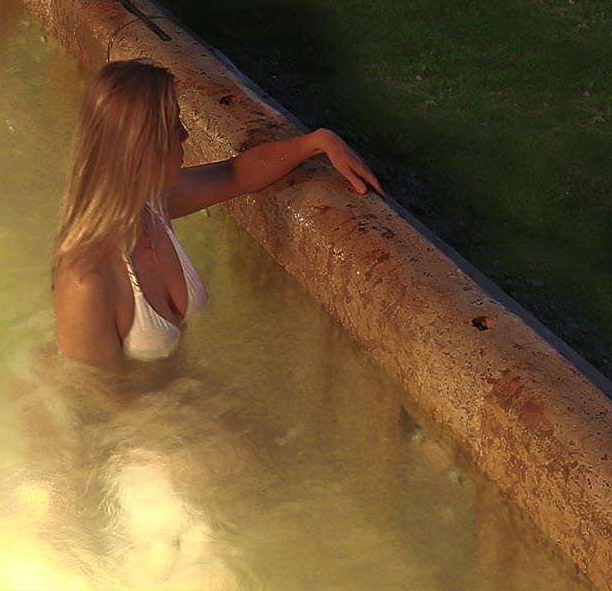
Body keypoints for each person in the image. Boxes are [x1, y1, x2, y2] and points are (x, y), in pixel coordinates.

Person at [51, 59, 382, 364]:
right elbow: (93, 398)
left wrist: (318, 142)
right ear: (140, 145)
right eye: (174, 125)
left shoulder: (150, 204)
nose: (186, 134)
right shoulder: (87, 282)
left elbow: (236, 175)